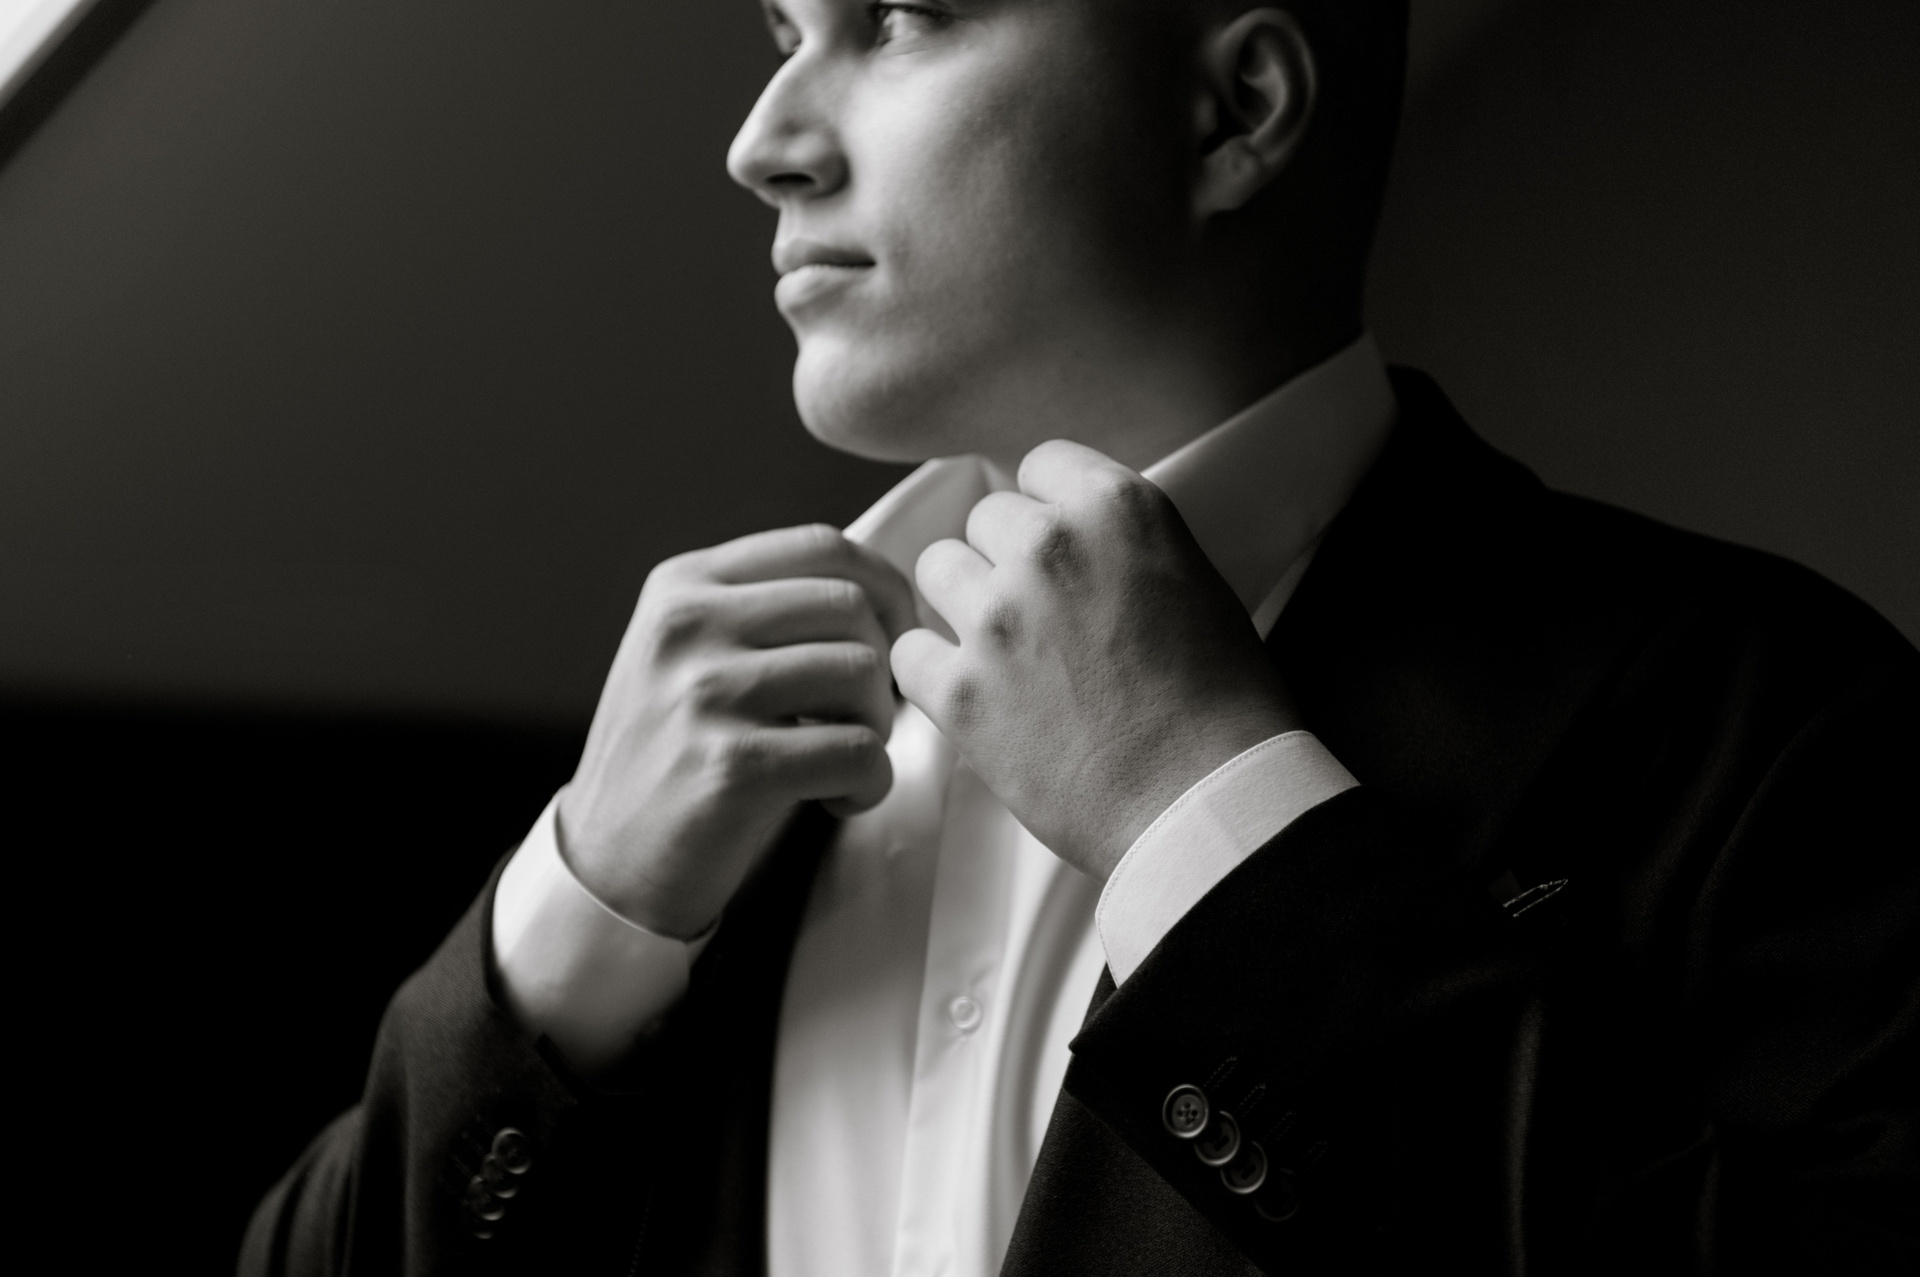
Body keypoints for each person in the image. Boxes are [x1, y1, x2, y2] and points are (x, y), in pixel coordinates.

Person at [240, 1, 1919, 1273]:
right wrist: (576, 919)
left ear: (1236, 110)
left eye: (902, 18)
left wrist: (1208, 822)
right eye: (782, 34)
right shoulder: (701, 787)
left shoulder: (1771, 723)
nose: (763, 141)